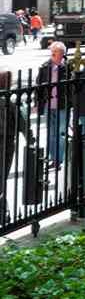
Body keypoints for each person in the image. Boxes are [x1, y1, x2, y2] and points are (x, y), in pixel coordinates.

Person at [0, 70, 33, 221]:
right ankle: (2, 213)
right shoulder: (11, 101)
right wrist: (31, 139)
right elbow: (23, 124)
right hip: (6, 142)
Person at [35, 42, 71, 170]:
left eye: (55, 52)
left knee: (61, 133)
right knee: (51, 133)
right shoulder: (45, 67)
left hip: (62, 105)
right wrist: (37, 104)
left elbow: (72, 87)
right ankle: (52, 158)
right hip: (48, 105)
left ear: (62, 54)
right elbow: (38, 86)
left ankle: (58, 160)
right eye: (52, 52)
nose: (53, 54)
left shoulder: (68, 67)